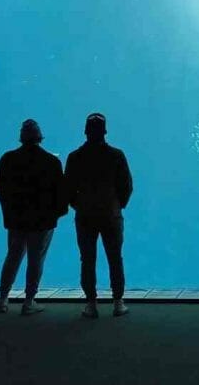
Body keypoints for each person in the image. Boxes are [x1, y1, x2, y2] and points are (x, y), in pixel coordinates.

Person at [0, 119, 67, 315]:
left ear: (21, 137)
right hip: (42, 222)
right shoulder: (52, 162)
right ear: (39, 137)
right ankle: (29, 301)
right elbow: (61, 194)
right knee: (36, 260)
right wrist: (56, 216)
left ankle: (2, 299)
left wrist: (8, 216)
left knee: (13, 256)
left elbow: (2, 190)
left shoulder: (7, 159)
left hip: (16, 220)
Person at [64, 113, 133, 318]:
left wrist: (79, 205)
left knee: (87, 259)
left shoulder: (75, 157)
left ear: (85, 131)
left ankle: (91, 303)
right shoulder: (116, 155)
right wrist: (116, 205)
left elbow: (68, 189)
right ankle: (118, 302)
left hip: (85, 215)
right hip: (111, 214)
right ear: (105, 131)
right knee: (114, 258)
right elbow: (126, 186)